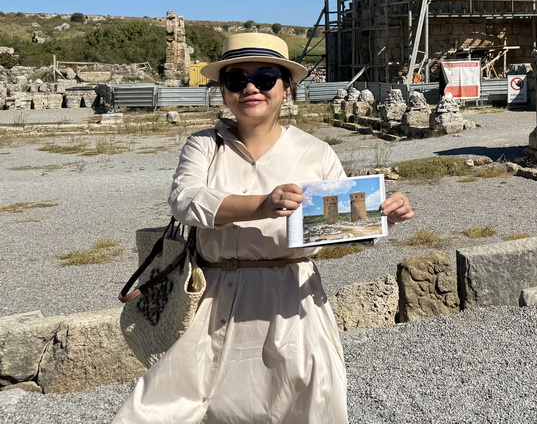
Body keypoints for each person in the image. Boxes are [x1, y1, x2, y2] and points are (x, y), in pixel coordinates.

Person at [114, 33, 413, 423]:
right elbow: (185, 200)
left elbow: (339, 225)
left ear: (286, 88)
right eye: (236, 79)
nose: (250, 88)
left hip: (289, 299)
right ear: (223, 91)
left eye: (266, 78)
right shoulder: (205, 145)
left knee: (293, 403)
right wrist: (262, 205)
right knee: (173, 405)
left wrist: (381, 218)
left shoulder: (315, 152)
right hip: (211, 297)